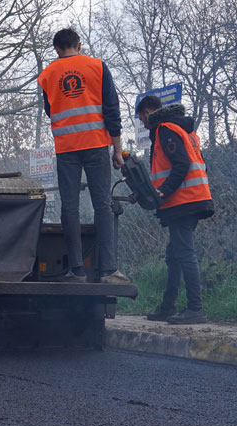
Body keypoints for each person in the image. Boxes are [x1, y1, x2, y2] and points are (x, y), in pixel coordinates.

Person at [36, 27, 127, 283]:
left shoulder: (47, 75)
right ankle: (108, 270)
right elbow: (111, 109)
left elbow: (49, 110)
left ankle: (75, 270)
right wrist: (117, 149)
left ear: (56, 49)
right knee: (102, 205)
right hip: (96, 144)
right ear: (79, 45)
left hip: (66, 148)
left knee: (70, 207)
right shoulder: (97, 66)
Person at [137, 94, 215, 324]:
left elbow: (182, 164)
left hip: (184, 200)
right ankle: (167, 307)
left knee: (185, 254)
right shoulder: (186, 130)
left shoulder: (165, 129)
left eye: (142, 117)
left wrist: (164, 191)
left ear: (148, 112)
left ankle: (195, 309)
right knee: (174, 255)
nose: (142, 123)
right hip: (193, 198)